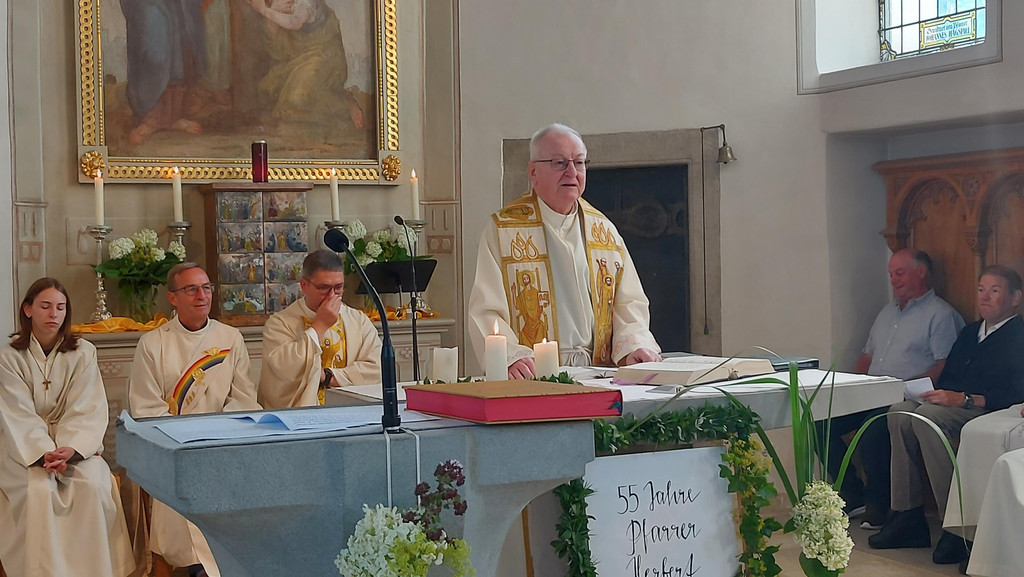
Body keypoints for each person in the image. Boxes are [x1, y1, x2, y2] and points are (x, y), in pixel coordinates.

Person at [467, 123, 661, 378]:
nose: (572, 172)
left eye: (579, 163)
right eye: (559, 163)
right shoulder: (503, 230)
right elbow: (486, 308)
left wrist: (633, 347)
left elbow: (629, 302)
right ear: (533, 172)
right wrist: (510, 357)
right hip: (534, 373)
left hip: (599, 373)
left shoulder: (603, 230)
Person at [868, 265, 1024, 567]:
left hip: (989, 409)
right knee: (899, 412)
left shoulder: (1019, 335)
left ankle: (955, 526)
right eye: (981, 289)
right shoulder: (970, 332)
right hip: (952, 404)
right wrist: (933, 392)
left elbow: (1016, 391)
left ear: (1015, 298)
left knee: (927, 420)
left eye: (994, 290)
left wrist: (965, 399)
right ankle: (906, 515)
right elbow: (950, 375)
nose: (985, 297)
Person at [129, 263, 261, 576]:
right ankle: (192, 565)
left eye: (206, 288)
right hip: (173, 449)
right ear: (173, 298)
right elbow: (145, 408)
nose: (202, 295)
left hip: (219, 446)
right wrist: (183, 442)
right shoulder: (153, 343)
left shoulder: (230, 338)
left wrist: (213, 436)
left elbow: (244, 399)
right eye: (191, 289)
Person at [816, 249, 964, 528]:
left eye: (900, 273)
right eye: (891, 274)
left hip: (905, 398)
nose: (893, 280)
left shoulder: (940, 315)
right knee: (819, 424)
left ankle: (879, 505)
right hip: (870, 395)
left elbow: (944, 367)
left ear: (921, 272)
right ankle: (852, 494)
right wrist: (849, 389)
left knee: (873, 429)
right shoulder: (887, 313)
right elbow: (867, 357)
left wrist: (903, 387)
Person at [0, 278, 135, 576]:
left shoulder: (83, 352)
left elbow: (87, 407)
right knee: (38, 490)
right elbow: (17, 412)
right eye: (45, 306)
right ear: (27, 309)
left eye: (60, 307)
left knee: (93, 485)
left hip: (73, 448)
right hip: (24, 450)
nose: (54, 314)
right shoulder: (8, 356)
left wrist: (70, 449)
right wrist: (43, 453)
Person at [260, 250, 382, 408]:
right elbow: (282, 371)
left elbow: (376, 369)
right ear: (304, 285)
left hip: (349, 412)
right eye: (324, 288)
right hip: (300, 417)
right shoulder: (280, 323)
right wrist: (320, 326)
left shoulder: (359, 321)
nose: (331, 295)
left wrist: (328, 377)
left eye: (338, 287)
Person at [243, 0, 365, 130]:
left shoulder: (307, 3)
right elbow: (278, 52)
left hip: (323, 57)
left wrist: (265, 11)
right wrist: (272, 18)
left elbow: (295, 22)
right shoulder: (276, 3)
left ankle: (345, 104)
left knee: (297, 98)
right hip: (295, 61)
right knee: (268, 90)